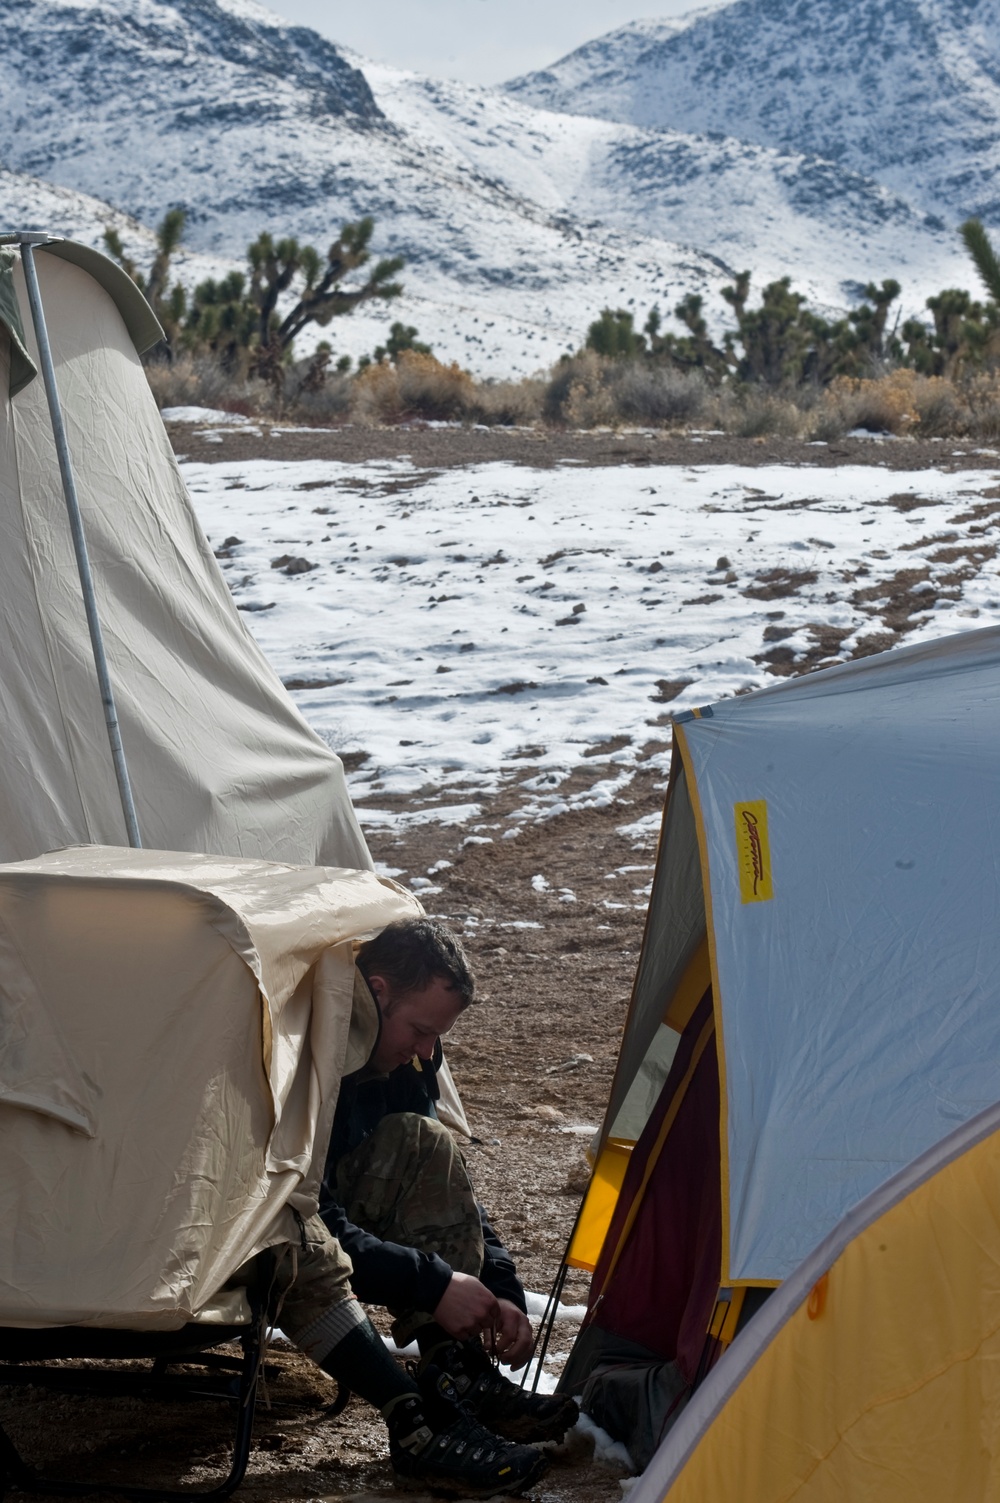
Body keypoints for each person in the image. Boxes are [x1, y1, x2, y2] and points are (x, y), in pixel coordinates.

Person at [317, 918, 579, 1446]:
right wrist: (433, 1285)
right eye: (419, 1030)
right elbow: (309, 1222)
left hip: (351, 1228)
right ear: (375, 993)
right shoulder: (312, 1063)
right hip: (298, 1241)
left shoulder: (402, 1065)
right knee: (424, 1137)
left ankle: (456, 1373)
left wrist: (500, 1293)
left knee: (427, 1140)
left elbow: (448, 1188)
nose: (423, 1050)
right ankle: (449, 1386)